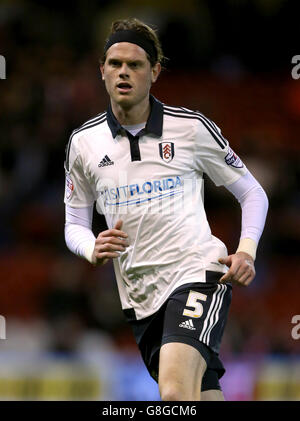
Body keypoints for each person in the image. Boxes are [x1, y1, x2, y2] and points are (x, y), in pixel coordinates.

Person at [64, 18, 268, 401]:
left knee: (174, 396)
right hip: (140, 299)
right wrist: (91, 247)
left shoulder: (190, 129)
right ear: (102, 71)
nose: (124, 72)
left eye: (136, 64)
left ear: (154, 71)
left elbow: (253, 193)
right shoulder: (83, 144)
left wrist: (246, 250)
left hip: (197, 274)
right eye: (115, 63)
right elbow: (73, 224)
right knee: (200, 396)